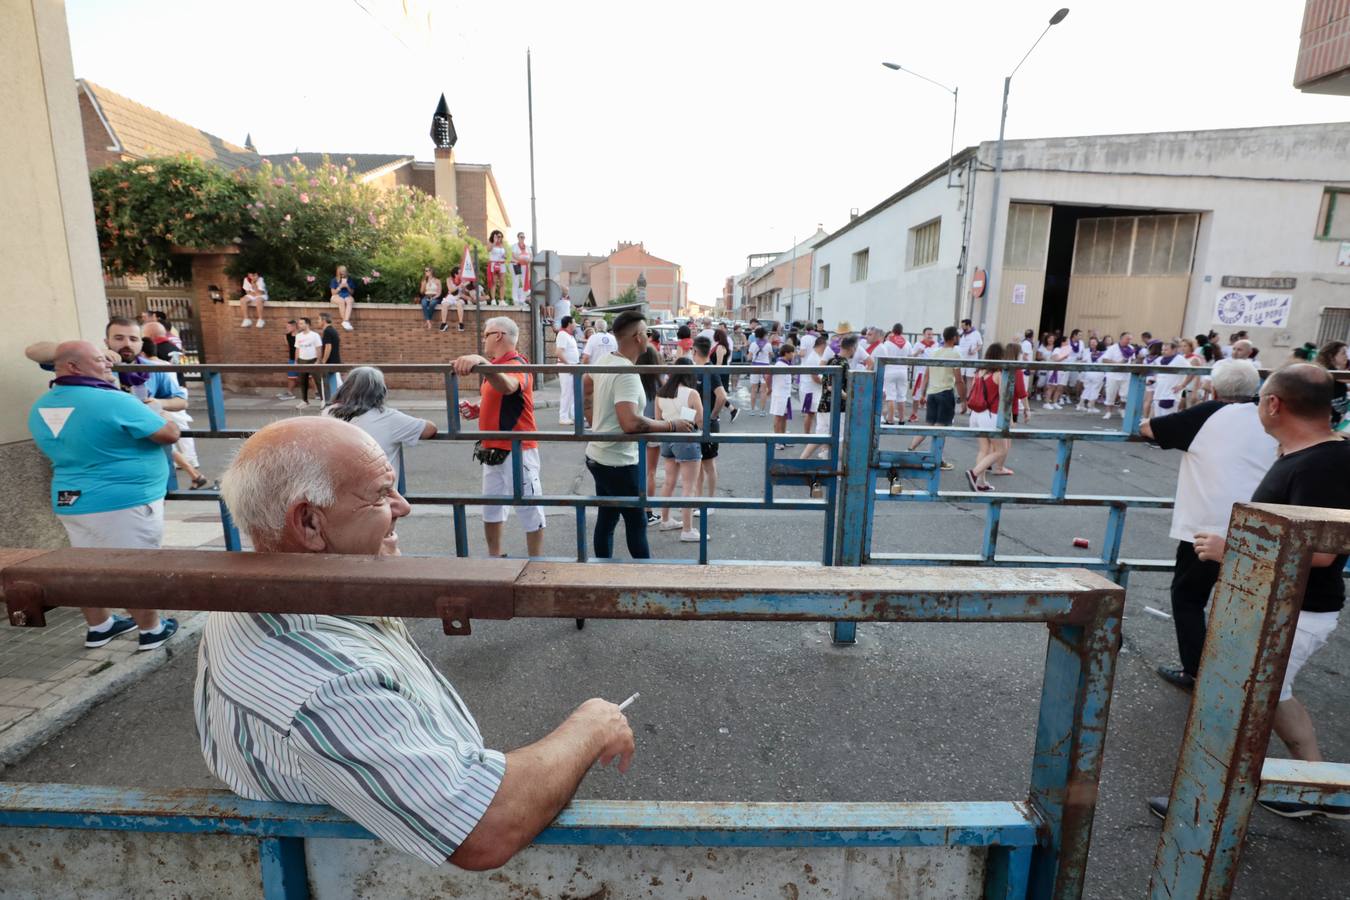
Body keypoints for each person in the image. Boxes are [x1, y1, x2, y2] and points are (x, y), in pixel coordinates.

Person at [201, 416, 635, 868]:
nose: (403, 506)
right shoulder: (326, 684)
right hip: (370, 867)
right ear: (309, 523)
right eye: (381, 494)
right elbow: (484, 827)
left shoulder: (251, 595)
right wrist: (591, 726)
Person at [1149, 364, 1349, 822]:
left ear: (1274, 404)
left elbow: (1321, 552)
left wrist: (1231, 548)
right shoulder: (1307, 454)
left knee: (1232, 704)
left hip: (1296, 610)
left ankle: (1199, 802)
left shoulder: (1324, 463)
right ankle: (1319, 786)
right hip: (1287, 605)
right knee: (1274, 696)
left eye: (1261, 400)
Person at [28, 340, 180, 651]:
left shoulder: (43, 404)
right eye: (100, 360)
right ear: (73, 366)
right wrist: (159, 412)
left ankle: (100, 626)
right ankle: (151, 630)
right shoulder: (112, 401)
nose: (108, 364)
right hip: (123, 502)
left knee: (86, 566)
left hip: (72, 499)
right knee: (134, 568)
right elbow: (168, 434)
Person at [1138, 359, 1274, 692]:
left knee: (1188, 596)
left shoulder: (1208, 413)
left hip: (1207, 526)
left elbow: (1149, 428)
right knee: (1246, 600)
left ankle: (1197, 671)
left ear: (1213, 389)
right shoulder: (1267, 416)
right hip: (1261, 525)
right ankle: (1243, 669)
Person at [583, 310, 694, 559]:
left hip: (600, 455)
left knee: (608, 518)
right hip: (617, 461)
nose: (649, 336)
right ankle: (644, 579)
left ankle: (603, 571)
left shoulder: (605, 361)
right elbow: (631, 422)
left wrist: (593, 418)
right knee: (636, 522)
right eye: (647, 332)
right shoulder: (627, 373)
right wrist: (670, 425)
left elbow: (586, 385)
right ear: (638, 337)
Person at [454, 317, 546, 558]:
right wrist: (478, 407)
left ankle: (536, 562)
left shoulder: (516, 363)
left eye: (486, 334)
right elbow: (500, 397)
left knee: (530, 508)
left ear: (498, 335)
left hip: (518, 449)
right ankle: (495, 557)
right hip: (493, 448)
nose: (483, 339)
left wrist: (482, 362)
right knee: (491, 508)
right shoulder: (496, 365)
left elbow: (509, 387)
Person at [324, 366, 436, 483]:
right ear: (380, 391)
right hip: (378, 495)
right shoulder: (389, 417)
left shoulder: (328, 413)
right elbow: (430, 429)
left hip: (339, 492)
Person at [654, 358, 705, 542]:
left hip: (667, 439)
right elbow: (701, 420)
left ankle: (665, 519)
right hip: (687, 440)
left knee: (668, 482)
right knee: (688, 487)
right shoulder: (692, 393)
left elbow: (658, 419)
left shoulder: (661, 393)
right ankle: (687, 530)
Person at [965, 343, 1021, 492]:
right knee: (1001, 450)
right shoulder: (999, 374)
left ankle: (981, 483)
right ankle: (974, 473)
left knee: (984, 449)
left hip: (976, 415)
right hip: (990, 415)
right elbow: (1004, 398)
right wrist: (1010, 419)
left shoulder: (979, 372)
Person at [907, 326, 964, 468]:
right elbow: (958, 379)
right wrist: (964, 398)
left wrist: (922, 393)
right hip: (945, 392)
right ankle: (937, 458)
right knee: (940, 427)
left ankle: (911, 449)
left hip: (932, 393)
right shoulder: (955, 354)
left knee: (929, 425)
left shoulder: (934, 352)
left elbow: (926, 374)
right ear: (953, 338)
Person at [692, 336, 727, 518]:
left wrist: (712, 417)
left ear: (695, 351)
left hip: (708, 425)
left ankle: (710, 502)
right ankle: (698, 501)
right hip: (696, 424)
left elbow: (722, 396)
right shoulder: (696, 370)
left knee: (708, 464)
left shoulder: (709, 371)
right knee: (698, 464)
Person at [871, 324, 911, 425]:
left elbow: (883, 355)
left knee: (890, 396)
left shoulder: (888, 343)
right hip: (903, 371)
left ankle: (890, 419)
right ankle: (902, 419)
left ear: (893, 331)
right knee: (902, 396)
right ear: (902, 331)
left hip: (890, 370)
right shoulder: (907, 343)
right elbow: (911, 355)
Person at [1149, 339, 1192, 419]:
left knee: (1167, 421)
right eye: (1162, 349)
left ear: (1174, 350)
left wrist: (1183, 385)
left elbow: (1192, 372)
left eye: (1166, 350)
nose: (1163, 351)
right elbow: (1155, 373)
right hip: (1158, 394)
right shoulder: (1159, 360)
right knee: (1158, 421)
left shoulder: (1180, 359)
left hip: (1170, 395)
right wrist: (1153, 380)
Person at [1099, 333, 1136, 419]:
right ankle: (1108, 412)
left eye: (1130, 339)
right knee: (1110, 393)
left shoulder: (1131, 348)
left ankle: (1122, 409)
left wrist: (1133, 363)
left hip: (1126, 375)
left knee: (1125, 395)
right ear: (1121, 339)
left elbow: (1133, 359)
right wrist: (1117, 364)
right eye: (1127, 339)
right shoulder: (1112, 348)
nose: (1129, 341)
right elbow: (1104, 360)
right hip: (1113, 375)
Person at [1314, 340, 1348, 428]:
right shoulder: (1329, 371)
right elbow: (1345, 379)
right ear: (1331, 356)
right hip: (1329, 422)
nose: (1346, 357)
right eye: (1343, 353)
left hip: (1337, 418)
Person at [769, 342, 797, 449]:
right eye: (792, 352)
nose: (793, 354)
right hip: (779, 395)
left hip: (786, 394)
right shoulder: (779, 364)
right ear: (786, 353)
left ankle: (783, 439)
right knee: (778, 417)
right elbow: (768, 376)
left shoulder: (786, 364)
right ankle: (777, 441)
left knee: (784, 417)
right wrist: (770, 388)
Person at [292, 317, 323, 408]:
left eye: (301, 323)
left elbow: (319, 348)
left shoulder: (315, 335)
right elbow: (297, 349)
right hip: (302, 361)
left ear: (307, 324)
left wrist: (318, 360)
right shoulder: (298, 336)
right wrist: (296, 361)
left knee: (318, 381)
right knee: (303, 381)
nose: (299, 325)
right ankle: (305, 401)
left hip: (313, 360)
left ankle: (323, 401)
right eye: (299, 323)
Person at [555, 316, 581, 426]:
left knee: (573, 392)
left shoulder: (568, 335)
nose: (575, 324)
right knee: (567, 392)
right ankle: (563, 416)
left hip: (572, 366)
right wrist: (568, 364)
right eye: (574, 322)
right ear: (569, 323)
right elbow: (559, 352)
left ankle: (574, 414)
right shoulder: (562, 335)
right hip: (567, 367)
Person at [909, 326, 937, 418]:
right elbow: (912, 356)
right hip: (921, 373)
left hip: (932, 373)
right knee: (917, 394)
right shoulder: (918, 344)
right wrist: (918, 352)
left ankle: (931, 416)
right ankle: (914, 414)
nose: (930, 336)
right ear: (924, 335)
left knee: (932, 394)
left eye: (931, 334)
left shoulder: (936, 345)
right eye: (928, 334)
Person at [746, 326, 775, 415]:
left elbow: (749, 357)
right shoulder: (768, 344)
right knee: (763, 390)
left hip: (755, 367)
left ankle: (752, 410)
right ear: (764, 335)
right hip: (765, 367)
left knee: (753, 389)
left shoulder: (753, 344)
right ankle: (762, 411)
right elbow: (772, 355)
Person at [1076, 336, 1105, 412]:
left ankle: (1080, 404)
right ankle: (1091, 406)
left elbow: (1083, 361)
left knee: (1087, 389)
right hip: (1098, 374)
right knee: (1095, 390)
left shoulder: (1090, 353)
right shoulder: (1104, 355)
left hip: (1088, 373)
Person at [320, 313, 343, 397]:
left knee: (333, 385)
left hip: (331, 363)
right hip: (334, 361)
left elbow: (328, 347)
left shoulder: (327, 331)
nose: (318, 322)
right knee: (335, 383)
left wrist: (323, 362)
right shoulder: (332, 330)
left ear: (324, 320)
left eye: (319, 320)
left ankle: (333, 402)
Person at [438, 266, 466, 333]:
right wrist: (459, 286)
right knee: (444, 305)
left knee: (459, 304)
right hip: (450, 297)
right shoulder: (449, 279)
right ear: (455, 274)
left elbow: (464, 291)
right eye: (459, 273)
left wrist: (464, 287)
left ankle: (461, 323)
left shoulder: (463, 280)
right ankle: (444, 323)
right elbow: (450, 289)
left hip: (459, 296)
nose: (461, 274)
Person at [277, 319, 300, 401]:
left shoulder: (302, 335)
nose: (287, 328)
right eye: (286, 326)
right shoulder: (286, 336)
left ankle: (317, 393)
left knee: (309, 377)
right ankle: (290, 393)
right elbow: (288, 347)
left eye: (288, 326)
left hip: (303, 359)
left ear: (294, 326)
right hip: (292, 359)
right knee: (291, 377)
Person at [329, 265, 355, 330]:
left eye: (344, 273)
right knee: (341, 301)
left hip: (347, 295)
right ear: (338, 273)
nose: (342, 275)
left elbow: (352, 293)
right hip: (336, 296)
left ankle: (345, 322)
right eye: (341, 274)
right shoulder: (334, 280)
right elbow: (333, 293)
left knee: (349, 301)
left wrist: (347, 286)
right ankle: (346, 322)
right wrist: (339, 287)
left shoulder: (350, 280)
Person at [510, 232, 532, 306]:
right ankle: (515, 299)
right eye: (521, 237)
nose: (522, 238)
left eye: (523, 237)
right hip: (516, 265)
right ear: (518, 237)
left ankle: (522, 300)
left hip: (525, 266)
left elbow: (531, 256)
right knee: (516, 282)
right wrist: (521, 260)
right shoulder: (514, 246)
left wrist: (529, 260)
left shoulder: (528, 247)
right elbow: (513, 255)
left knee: (522, 283)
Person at [487, 229, 507, 304]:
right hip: (494, 264)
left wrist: (505, 256)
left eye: (501, 237)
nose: (500, 238)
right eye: (498, 236)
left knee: (502, 282)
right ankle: (493, 300)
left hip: (501, 264)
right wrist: (494, 242)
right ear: (494, 236)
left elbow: (505, 254)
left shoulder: (502, 244)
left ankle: (502, 300)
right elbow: (488, 250)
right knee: (494, 282)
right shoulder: (491, 242)